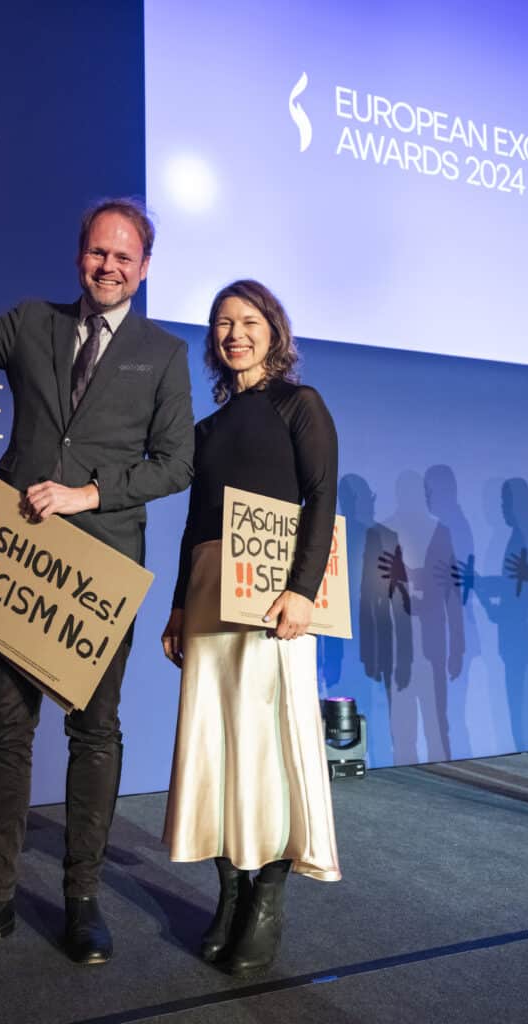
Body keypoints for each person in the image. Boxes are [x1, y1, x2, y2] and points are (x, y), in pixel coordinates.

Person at [0, 181, 194, 965]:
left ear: (144, 268)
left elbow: (177, 463)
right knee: (6, 730)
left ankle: (81, 901)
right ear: (80, 257)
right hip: (20, 559)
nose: (109, 265)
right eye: (99, 251)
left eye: (124, 256)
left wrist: (88, 493)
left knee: (94, 733)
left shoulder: (164, 354)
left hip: (100, 570)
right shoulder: (32, 323)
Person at [161, 279, 340, 977]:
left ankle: (267, 895)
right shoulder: (206, 430)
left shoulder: (301, 404)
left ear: (273, 330)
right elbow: (195, 523)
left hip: (276, 599)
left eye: (248, 321)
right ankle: (230, 892)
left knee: (266, 746)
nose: (235, 333)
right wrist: (179, 605)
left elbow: (320, 496)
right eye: (222, 323)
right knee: (217, 745)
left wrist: (302, 591)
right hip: (210, 596)